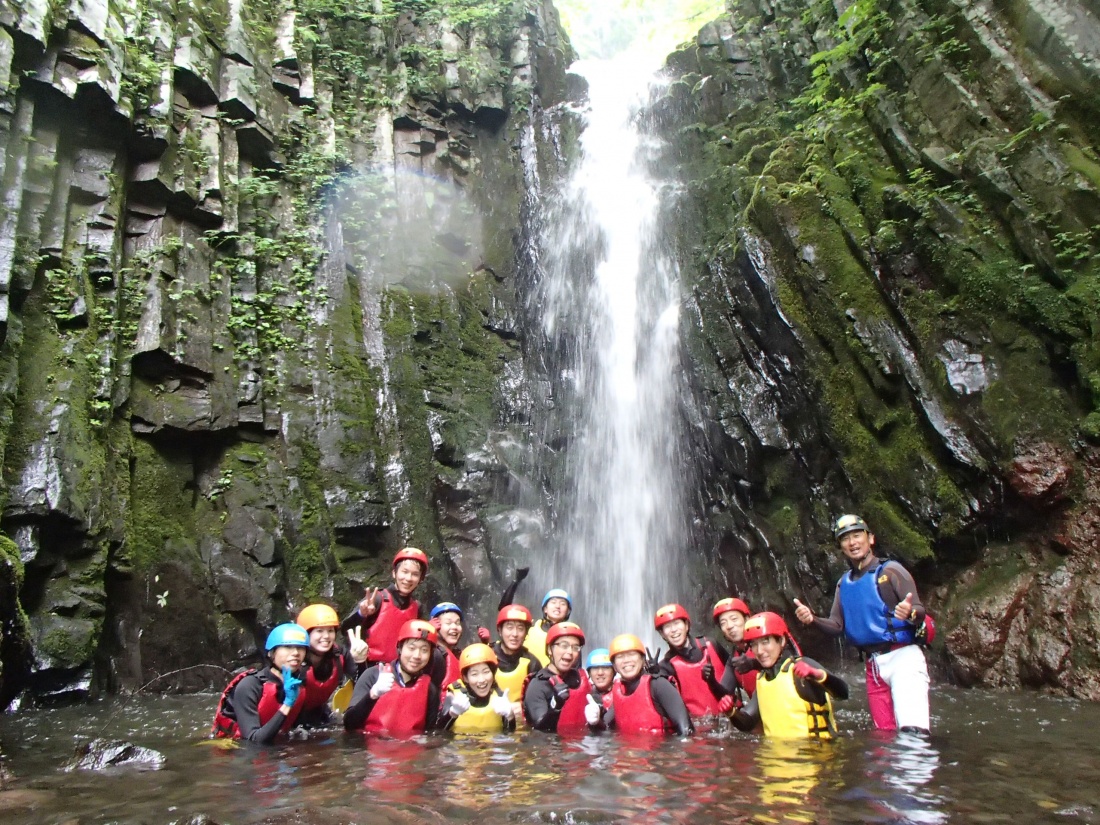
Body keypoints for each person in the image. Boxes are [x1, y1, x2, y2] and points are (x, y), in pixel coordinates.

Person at [793, 514, 931, 733]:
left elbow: (919, 610)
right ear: (841, 547)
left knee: (913, 732)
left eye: (857, 535)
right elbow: (837, 625)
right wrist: (813, 620)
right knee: (884, 739)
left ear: (871, 539)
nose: (852, 542)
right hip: (873, 666)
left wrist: (909, 612)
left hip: (903, 658)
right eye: (846, 539)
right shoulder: (843, 583)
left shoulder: (891, 571)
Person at [731, 612, 848, 739]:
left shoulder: (803, 666)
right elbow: (748, 722)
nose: (759, 651)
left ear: (781, 641)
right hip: (778, 757)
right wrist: (731, 713)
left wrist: (820, 677)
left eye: (765, 642)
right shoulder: (762, 680)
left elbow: (843, 693)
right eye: (754, 644)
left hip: (817, 754)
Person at [212, 623, 310, 743]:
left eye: (300, 648)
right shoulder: (249, 686)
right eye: (288, 647)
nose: (295, 652)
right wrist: (287, 704)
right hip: (236, 748)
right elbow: (253, 740)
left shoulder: (299, 684)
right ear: (271, 653)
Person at [343, 619, 442, 735]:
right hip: (370, 748)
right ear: (399, 648)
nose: (417, 655)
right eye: (411, 648)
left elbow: (429, 733)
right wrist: (373, 695)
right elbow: (349, 724)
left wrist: (451, 715)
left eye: (424, 650)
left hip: (409, 750)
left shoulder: (431, 690)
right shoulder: (373, 675)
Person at [340, 547, 429, 666]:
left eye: (415, 574)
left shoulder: (417, 607)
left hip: (401, 671)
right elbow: (345, 629)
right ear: (394, 573)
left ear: (420, 579)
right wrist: (361, 615)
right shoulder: (376, 599)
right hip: (371, 669)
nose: (408, 578)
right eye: (404, 571)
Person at [604, 634, 693, 736]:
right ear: (614, 666)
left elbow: (686, 731)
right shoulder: (620, 692)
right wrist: (594, 722)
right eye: (620, 657)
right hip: (630, 750)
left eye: (632, 654)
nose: (626, 660)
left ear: (643, 660)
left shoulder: (659, 685)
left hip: (662, 749)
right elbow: (605, 727)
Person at [523, 622, 602, 733]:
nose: (570, 652)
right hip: (552, 748)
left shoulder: (580, 679)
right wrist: (555, 706)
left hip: (581, 746)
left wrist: (597, 719)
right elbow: (540, 731)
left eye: (575, 648)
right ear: (550, 650)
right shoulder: (537, 685)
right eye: (564, 646)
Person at [654, 603, 730, 716]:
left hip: (732, 718)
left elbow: (736, 674)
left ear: (686, 625)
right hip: (699, 726)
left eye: (676, 623)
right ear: (662, 634)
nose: (673, 630)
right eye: (667, 627)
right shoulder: (665, 667)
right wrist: (653, 676)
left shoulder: (712, 645)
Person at [294, 604, 360, 726]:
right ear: (306, 634)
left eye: (330, 631)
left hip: (320, 714)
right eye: (319, 631)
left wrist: (360, 660)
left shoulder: (339, 654)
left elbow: (361, 683)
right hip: (292, 718)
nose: (326, 636)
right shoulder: (293, 660)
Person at [441, 643, 517, 734]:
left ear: (493, 673)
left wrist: (510, 716)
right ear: (465, 678)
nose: (481, 680)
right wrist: (453, 713)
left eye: (486, 672)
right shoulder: (453, 696)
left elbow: (510, 735)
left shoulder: (499, 696)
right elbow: (438, 732)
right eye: (474, 674)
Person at [490, 604, 541, 719]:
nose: (515, 634)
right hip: (490, 720)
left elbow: (540, 699)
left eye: (520, 628)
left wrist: (524, 706)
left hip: (519, 723)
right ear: (500, 630)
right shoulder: (487, 657)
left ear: (526, 633)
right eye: (509, 627)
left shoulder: (532, 663)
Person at [713, 597, 759, 699]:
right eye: (723, 623)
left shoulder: (764, 644)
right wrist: (711, 680)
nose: (729, 626)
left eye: (734, 619)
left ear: (747, 619)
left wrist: (754, 664)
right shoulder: (734, 658)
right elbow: (724, 692)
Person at [524, 588, 573, 667]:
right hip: (531, 676)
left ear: (567, 611)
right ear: (545, 609)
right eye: (553, 602)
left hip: (559, 678)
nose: (557, 606)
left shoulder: (572, 635)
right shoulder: (529, 630)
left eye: (563, 604)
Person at [429, 602, 464, 688]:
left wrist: (486, 644)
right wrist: (427, 633)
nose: (454, 627)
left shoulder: (459, 654)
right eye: (448, 623)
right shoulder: (432, 655)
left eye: (457, 623)